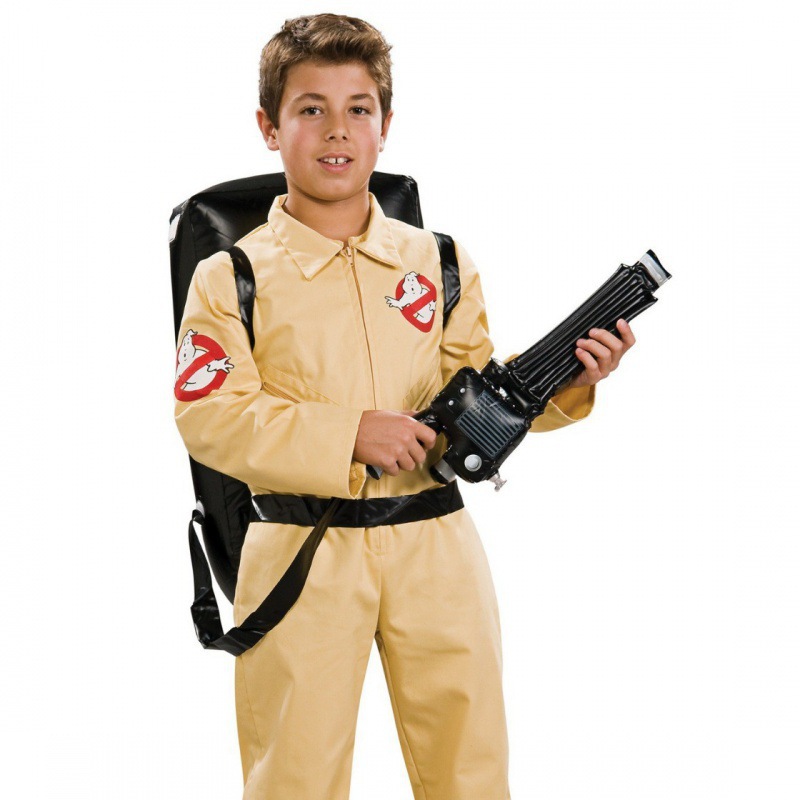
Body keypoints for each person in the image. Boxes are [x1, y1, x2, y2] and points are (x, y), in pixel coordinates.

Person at [173, 13, 636, 800]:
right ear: (269, 127)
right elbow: (211, 413)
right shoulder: (232, 278)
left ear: (386, 126)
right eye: (311, 108)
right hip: (301, 550)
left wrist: (565, 383)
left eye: (359, 108)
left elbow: (472, 393)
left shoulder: (438, 262)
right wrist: (347, 434)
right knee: (295, 775)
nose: (337, 129)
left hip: (437, 545)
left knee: (469, 767)